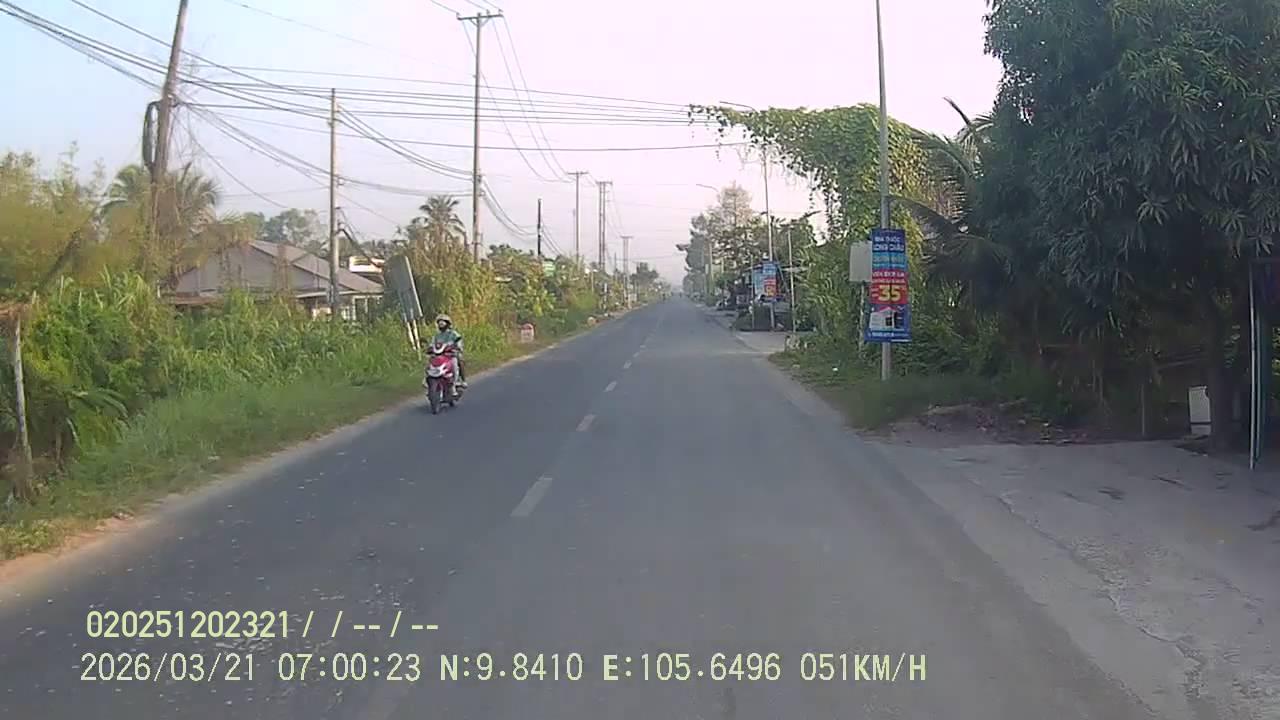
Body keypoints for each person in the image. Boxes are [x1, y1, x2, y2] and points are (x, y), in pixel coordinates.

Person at [424, 313, 467, 393]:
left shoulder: (453, 334)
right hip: (440, 355)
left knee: (456, 362)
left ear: (447, 323)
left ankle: (459, 380)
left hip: (451, 355)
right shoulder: (436, 336)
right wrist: (429, 349)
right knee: (429, 362)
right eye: (439, 323)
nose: (441, 324)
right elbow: (432, 344)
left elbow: (459, 341)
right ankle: (427, 381)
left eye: (443, 322)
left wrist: (458, 347)